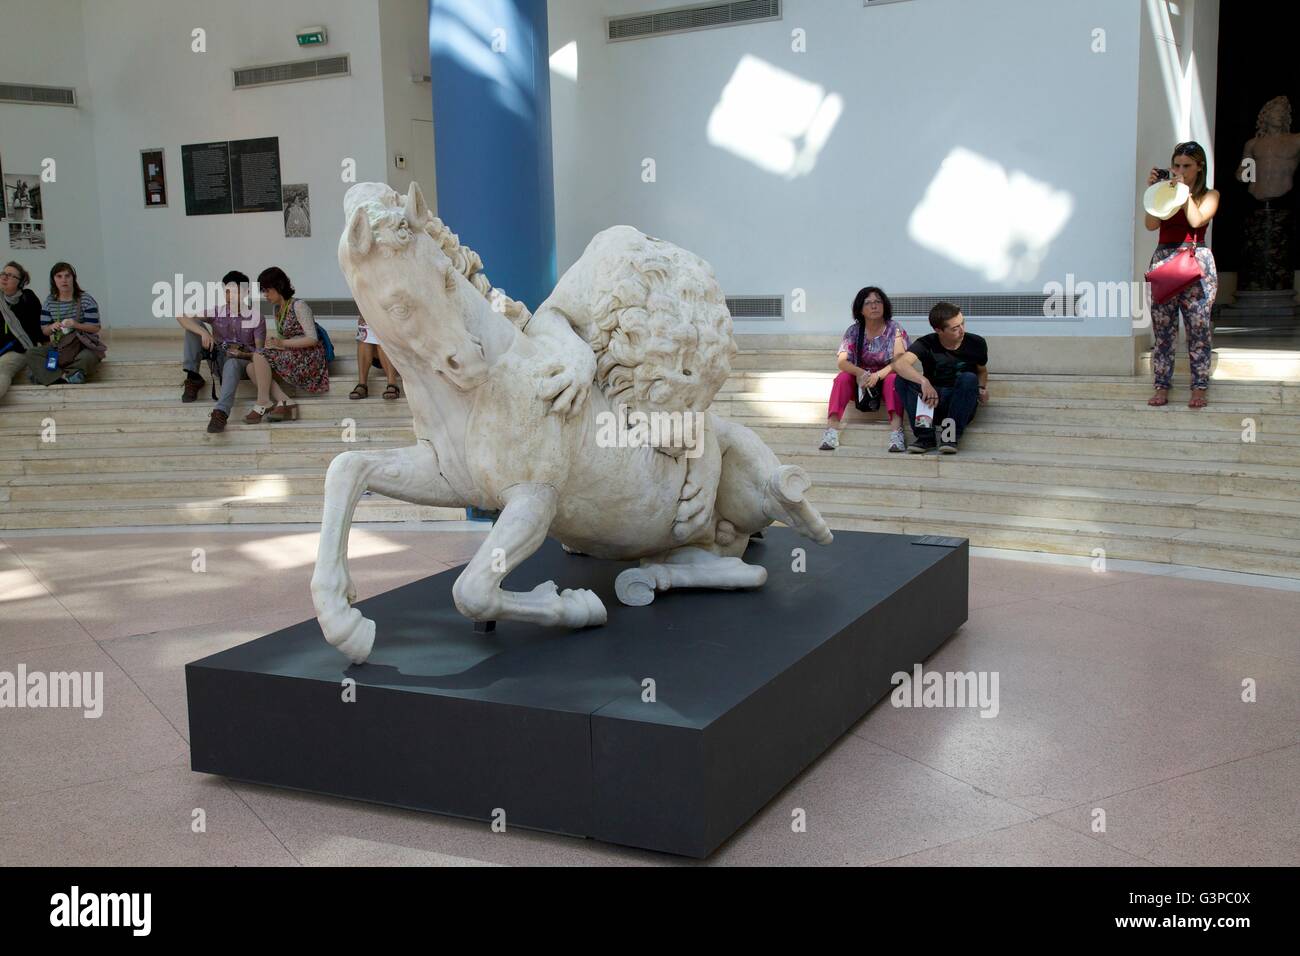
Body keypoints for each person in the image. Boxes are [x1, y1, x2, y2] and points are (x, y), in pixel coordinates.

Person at [1145, 141, 1220, 409]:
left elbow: (1198, 220)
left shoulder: (1210, 194)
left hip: (1195, 259)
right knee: (1163, 329)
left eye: (1187, 166)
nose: (1180, 170)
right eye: (1176, 165)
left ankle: (1199, 386)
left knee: (1198, 328)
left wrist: (1184, 194)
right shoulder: (1165, 192)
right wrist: (1153, 191)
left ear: (1199, 167)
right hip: (1165, 259)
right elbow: (1151, 224)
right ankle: (1161, 384)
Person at [820, 287, 910, 452]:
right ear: (860, 309)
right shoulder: (854, 331)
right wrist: (861, 373)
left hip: (884, 379)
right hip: (860, 381)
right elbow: (842, 362)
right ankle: (831, 431)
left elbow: (900, 361)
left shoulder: (894, 329)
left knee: (893, 379)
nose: (874, 306)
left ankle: (897, 433)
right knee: (841, 378)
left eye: (877, 302)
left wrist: (878, 375)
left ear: (884, 305)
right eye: (868, 303)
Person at [176, 270, 266, 434]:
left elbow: (260, 354)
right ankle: (193, 377)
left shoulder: (256, 317)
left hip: (241, 363)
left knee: (232, 362)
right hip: (218, 359)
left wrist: (242, 354)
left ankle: (220, 413)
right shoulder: (216, 311)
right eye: (226, 291)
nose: (229, 295)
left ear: (246, 292)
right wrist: (204, 332)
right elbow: (181, 316)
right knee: (194, 327)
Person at [893, 302, 989, 454]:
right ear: (938, 330)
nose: (962, 330)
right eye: (955, 328)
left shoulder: (976, 343)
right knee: (901, 379)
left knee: (969, 378)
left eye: (962, 323)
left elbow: (982, 371)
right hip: (931, 401)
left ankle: (950, 436)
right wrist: (924, 382)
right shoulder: (926, 343)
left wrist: (981, 387)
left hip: (960, 402)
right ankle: (926, 437)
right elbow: (900, 365)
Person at [251, 266, 329, 422]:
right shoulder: (277, 309)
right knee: (250, 367)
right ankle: (286, 401)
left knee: (258, 356)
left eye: (267, 290)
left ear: (278, 286)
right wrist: (275, 344)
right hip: (292, 353)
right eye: (263, 291)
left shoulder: (299, 305)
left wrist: (282, 342)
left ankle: (262, 402)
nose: (265, 295)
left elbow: (312, 338)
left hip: (309, 357)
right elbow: (283, 340)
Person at [26, 261, 106, 385]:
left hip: (83, 344)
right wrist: (52, 327)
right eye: (59, 276)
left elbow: (95, 328)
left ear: (73, 279)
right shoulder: (49, 301)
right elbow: (44, 330)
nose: (64, 280)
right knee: (32, 353)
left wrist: (75, 325)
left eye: (67, 276)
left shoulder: (86, 299)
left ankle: (48, 376)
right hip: (60, 346)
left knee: (89, 357)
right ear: (53, 280)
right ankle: (68, 376)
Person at [0, 261, 44, 399]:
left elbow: (38, 328)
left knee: (2, 368)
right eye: (3, 273)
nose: (4, 277)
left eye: (10, 275)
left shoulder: (27, 298)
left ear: (20, 282)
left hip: (18, 350)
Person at [350, 315, 400, 400]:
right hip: (376, 354)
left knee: (383, 332)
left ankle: (392, 383)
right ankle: (362, 384)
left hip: (397, 352)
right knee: (364, 331)